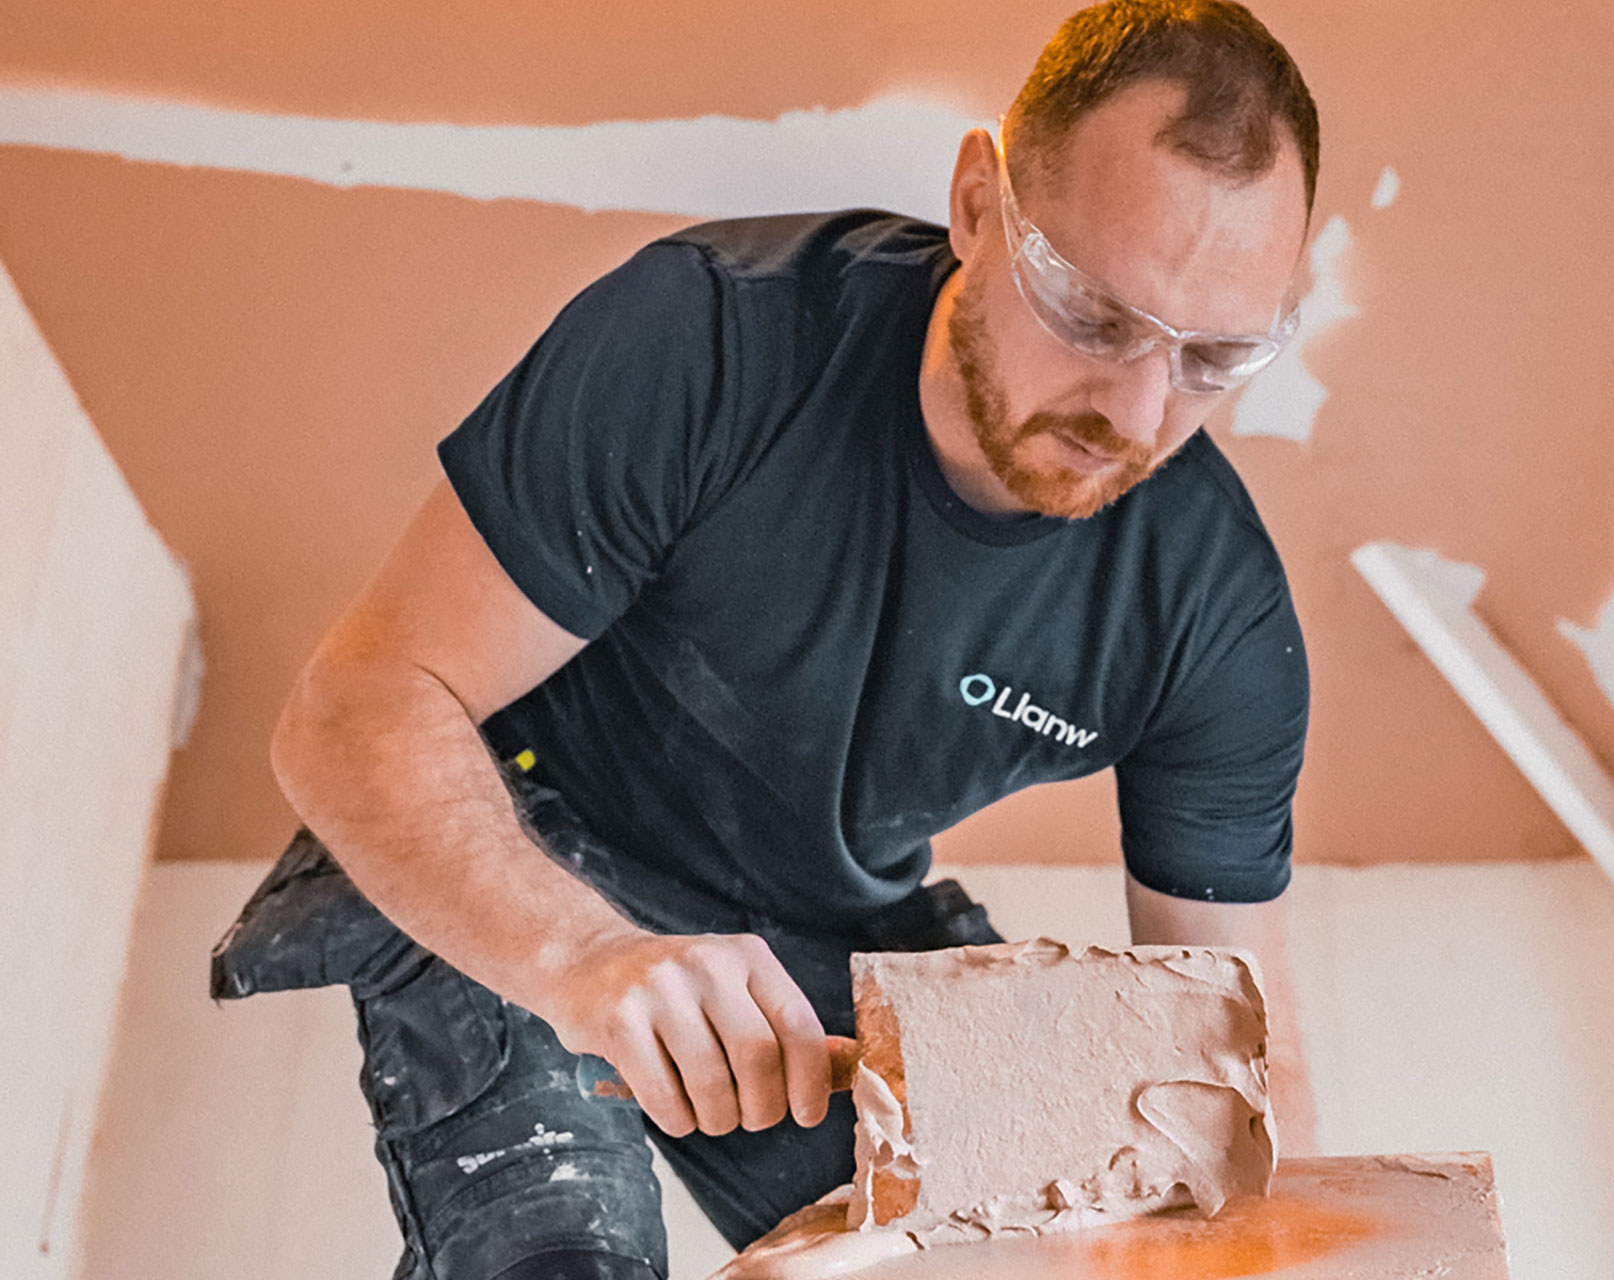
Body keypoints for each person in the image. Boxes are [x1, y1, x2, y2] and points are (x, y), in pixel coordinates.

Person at [212, 2, 1321, 1276]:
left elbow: (1247, 1069)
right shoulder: (707, 345)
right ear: (979, 202)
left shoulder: (1211, 612)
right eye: (1095, 316)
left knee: (1030, 1238)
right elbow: (354, 708)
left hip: (827, 917)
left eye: (1213, 358)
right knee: (561, 1252)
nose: (1136, 408)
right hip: (521, 825)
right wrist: (582, 956)